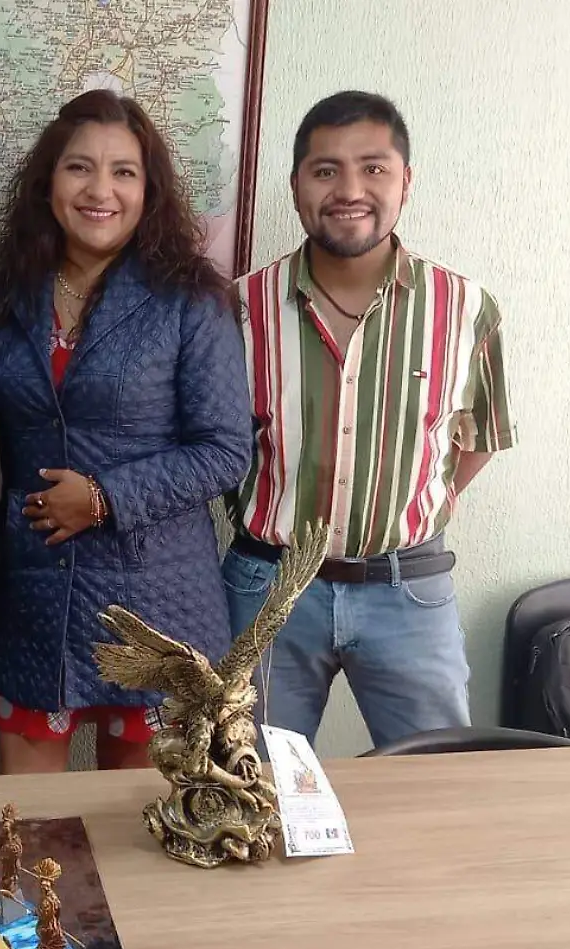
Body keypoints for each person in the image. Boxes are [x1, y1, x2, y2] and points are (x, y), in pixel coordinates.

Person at [0, 91, 252, 773]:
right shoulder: (2, 295)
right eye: (79, 169)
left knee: (143, 840)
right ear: (48, 183)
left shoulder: (191, 300)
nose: (101, 190)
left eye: (124, 172)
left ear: (148, 189)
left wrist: (103, 497)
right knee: (32, 835)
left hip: (159, 607)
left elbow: (225, 451)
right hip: (35, 600)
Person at [226, 91, 516, 748]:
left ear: (405, 181)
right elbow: (219, 450)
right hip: (267, 590)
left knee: (437, 792)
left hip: (408, 591)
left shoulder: (467, 309)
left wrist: (406, 510)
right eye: (325, 170)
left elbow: (480, 441)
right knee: (249, 795)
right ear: (296, 183)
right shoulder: (239, 309)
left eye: (373, 168)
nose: (349, 189)